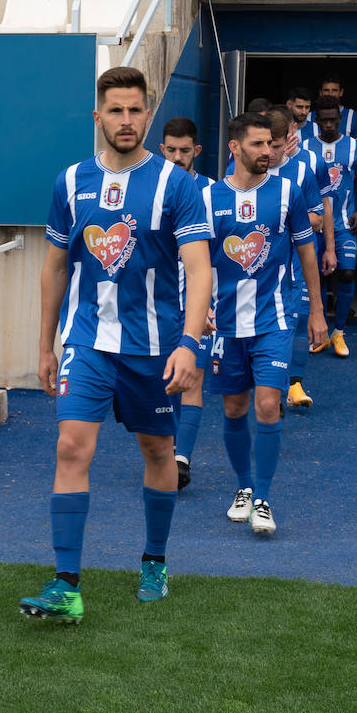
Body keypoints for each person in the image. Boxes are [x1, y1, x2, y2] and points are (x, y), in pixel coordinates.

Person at [19, 66, 211, 622]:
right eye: (115, 110)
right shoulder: (71, 181)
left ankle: (154, 560)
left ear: (147, 113)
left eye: (135, 110)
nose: (126, 120)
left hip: (154, 347)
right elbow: (55, 266)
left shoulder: (177, 185)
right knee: (70, 448)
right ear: (97, 116)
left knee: (157, 453)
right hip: (87, 342)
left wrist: (190, 344)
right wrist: (45, 344)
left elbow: (199, 272)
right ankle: (66, 584)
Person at [205, 112, 326, 534]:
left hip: (274, 320)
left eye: (270, 144)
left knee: (268, 405)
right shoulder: (209, 198)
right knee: (234, 408)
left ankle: (263, 498)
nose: (267, 152)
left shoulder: (287, 192)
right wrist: (196, 309)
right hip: (224, 325)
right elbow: (195, 261)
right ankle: (243, 487)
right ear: (234, 148)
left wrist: (316, 311)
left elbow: (307, 252)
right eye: (256, 144)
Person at [262, 107, 334, 407]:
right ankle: (268, 385)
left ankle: (294, 386)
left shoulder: (307, 165)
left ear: (289, 138)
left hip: (297, 260)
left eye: (276, 146)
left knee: (302, 318)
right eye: (265, 144)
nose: (270, 152)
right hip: (260, 263)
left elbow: (319, 214)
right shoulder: (245, 164)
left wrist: (328, 246)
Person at [159, 116, 214, 491]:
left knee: (191, 374)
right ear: (162, 149)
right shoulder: (150, 187)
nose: (178, 157)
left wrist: (212, 302)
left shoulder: (212, 192)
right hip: (157, 305)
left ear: (196, 150)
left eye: (185, 151)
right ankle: (166, 449)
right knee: (164, 382)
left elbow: (218, 256)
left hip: (198, 304)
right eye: (171, 150)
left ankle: (181, 459)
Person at [304, 95, 357, 358]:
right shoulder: (306, 147)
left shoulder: (355, 148)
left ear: (340, 120)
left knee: (347, 274)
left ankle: (338, 332)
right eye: (324, 120)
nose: (329, 124)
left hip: (343, 224)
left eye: (333, 120)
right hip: (313, 225)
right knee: (315, 278)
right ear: (317, 121)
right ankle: (316, 333)